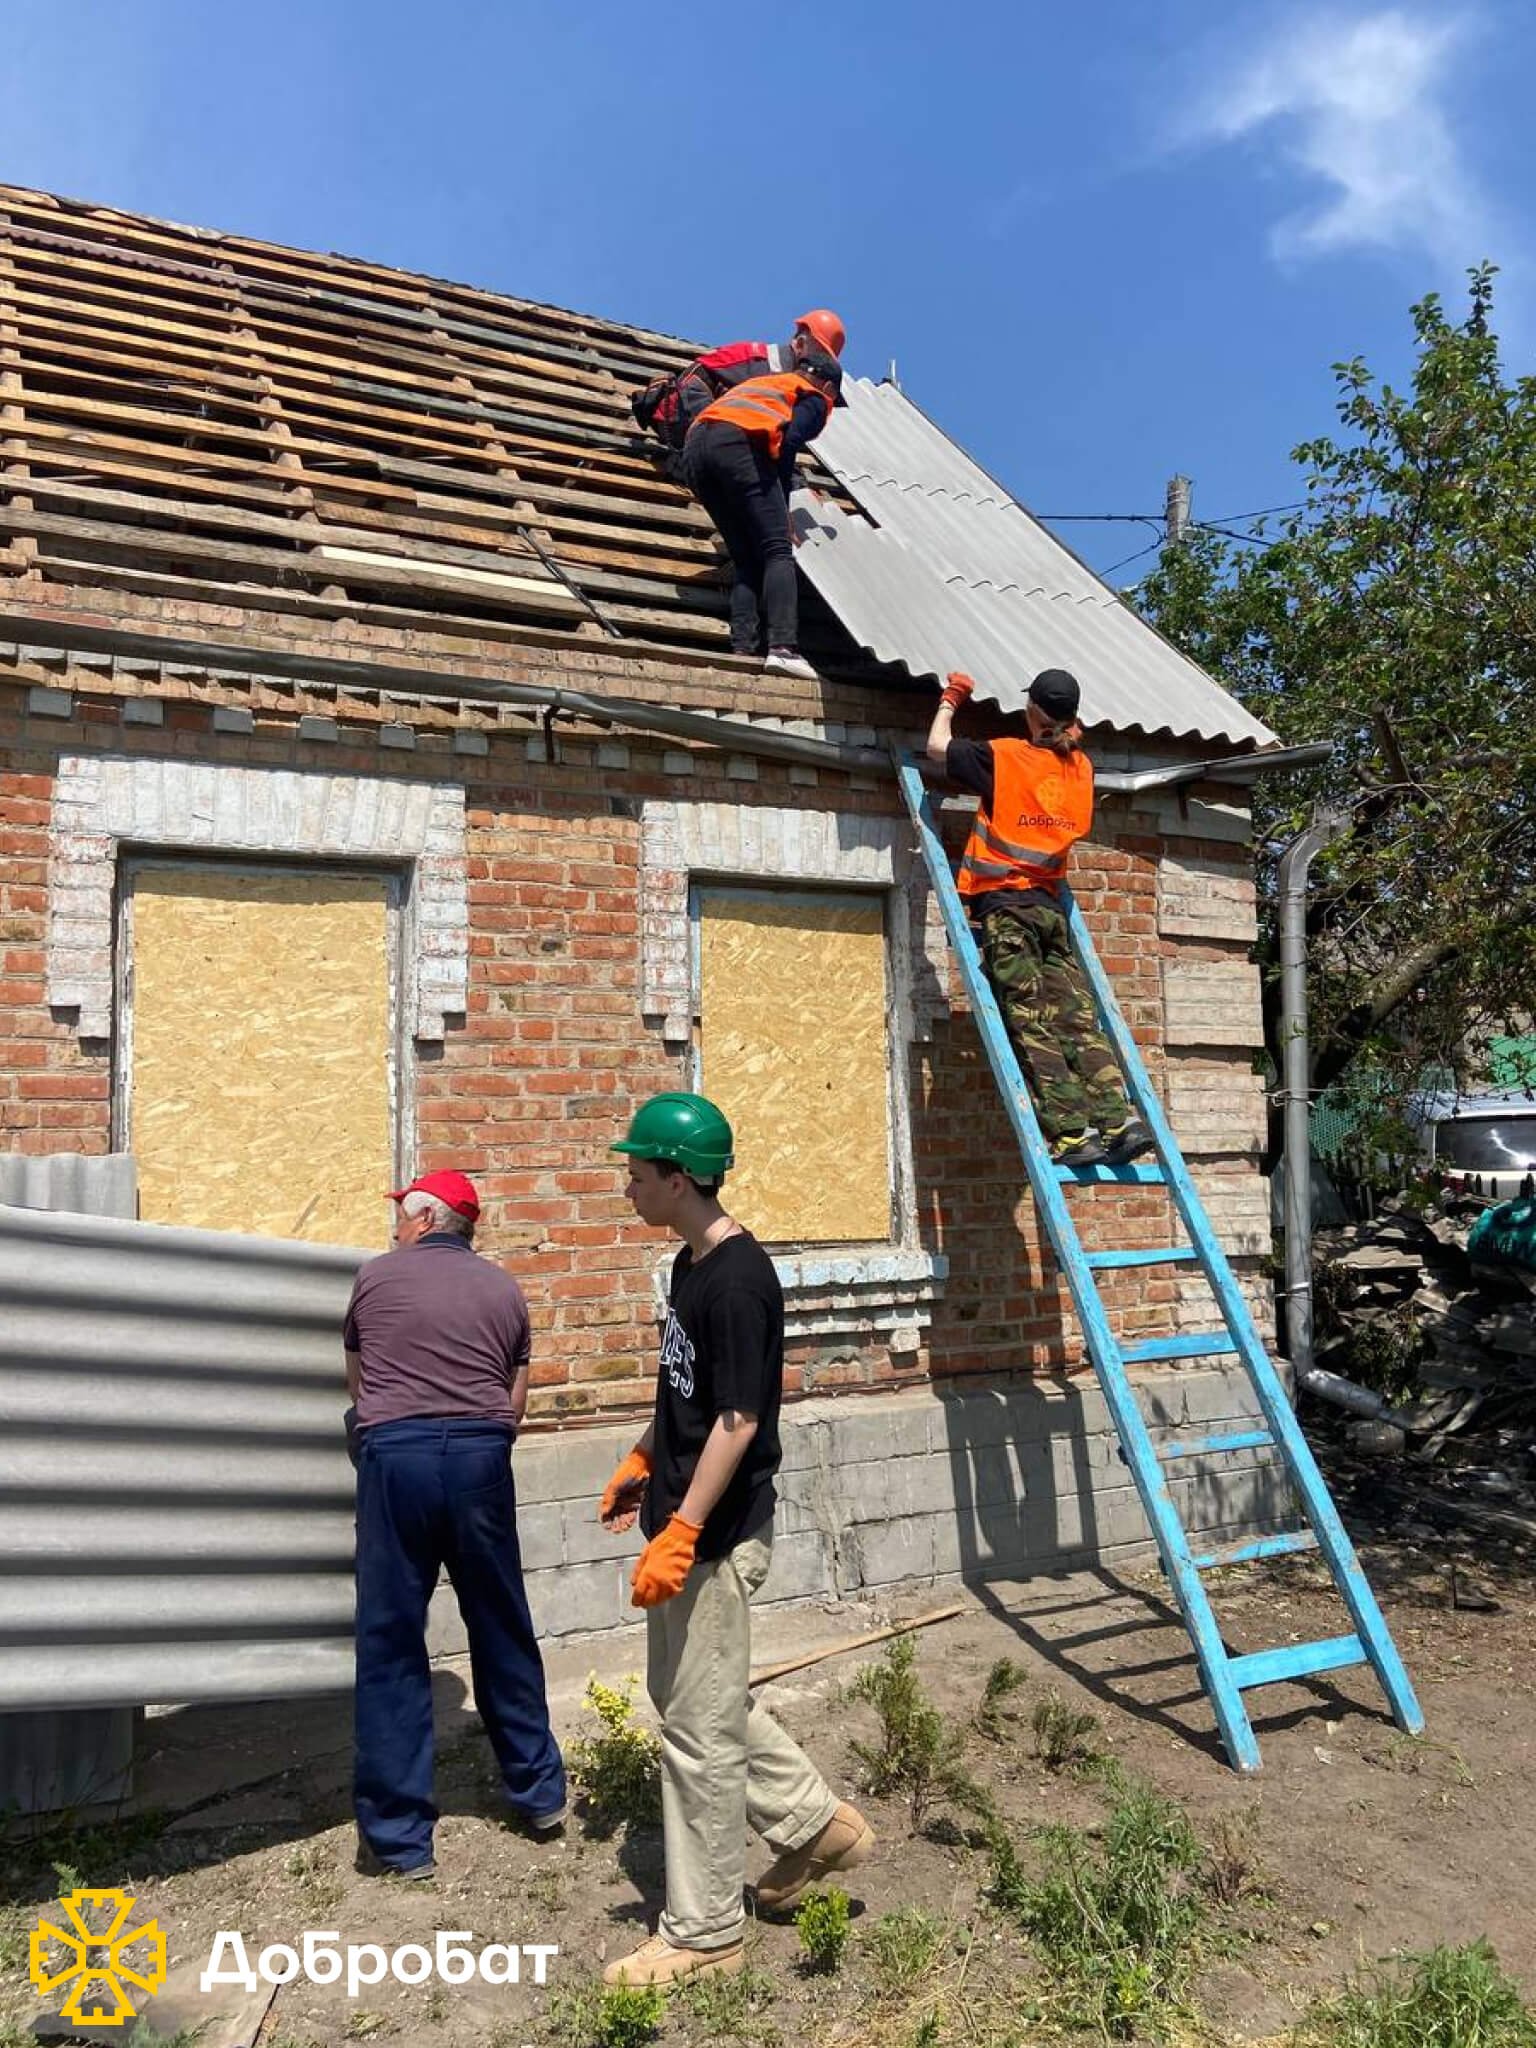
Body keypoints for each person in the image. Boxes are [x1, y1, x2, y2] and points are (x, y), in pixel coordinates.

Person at [598, 1093, 873, 1986]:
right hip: (683, 1517)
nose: (629, 1187)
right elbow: (689, 1394)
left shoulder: (741, 1282)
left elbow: (739, 1419)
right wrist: (645, 1455)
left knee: (699, 1738)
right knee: (688, 1702)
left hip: (712, 1536)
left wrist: (682, 1530)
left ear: (680, 1179)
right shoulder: (689, 1264)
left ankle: (704, 1933)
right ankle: (816, 1826)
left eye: (639, 1175)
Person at [344, 1168, 565, 1878]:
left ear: (429, 1218)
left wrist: (385, 1440)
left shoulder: (374, 1280)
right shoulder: (503, 1289)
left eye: (403, 1216)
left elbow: (361, 1385)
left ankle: (402, 1840)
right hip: (478, 1457)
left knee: (391, 1638)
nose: (396, 1227)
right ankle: (539, 1795)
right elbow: (515, 1399)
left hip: (397, 1459)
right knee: (500, 1623)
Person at [926, 668, 1155, 1169]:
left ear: (1032, 710)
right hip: (1051, 911)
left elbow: (937, 749)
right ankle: (1118, 1121)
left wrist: (952, 698)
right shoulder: (1082, 769)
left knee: (1034, 1025)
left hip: (1006, 909)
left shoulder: (1007, 757)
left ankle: (1072, 1134)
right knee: (1077, 1021)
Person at [679, 348, 843, 680]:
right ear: (828, 387)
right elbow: (788, 441)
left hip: (696, 451)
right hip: (738, 445)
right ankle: (783, 648)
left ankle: (743, 647)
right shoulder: (812, 397)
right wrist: (782, 508)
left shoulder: (766, 383)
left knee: (746, 557)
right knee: (778, 548)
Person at [629, 309, 847, 462]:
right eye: (819, 356)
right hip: (686, 418)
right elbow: (691, 383)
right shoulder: (758, 362)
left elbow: (775, 438)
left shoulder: (789, 382)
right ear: (799, 344)